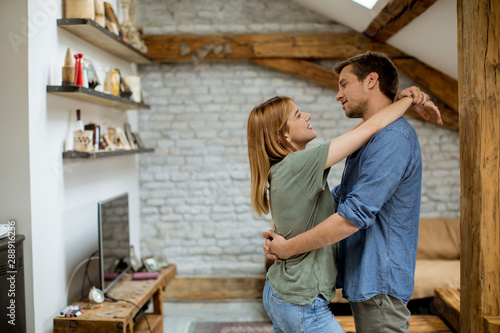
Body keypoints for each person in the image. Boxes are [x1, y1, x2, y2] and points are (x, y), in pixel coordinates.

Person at [262, 52, 442, 333]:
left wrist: (287, 247)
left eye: (344, 84)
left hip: (379, 281)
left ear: (371, 81)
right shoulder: (371, 139)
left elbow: (351, 216)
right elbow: (340, 197)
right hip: (364, 278)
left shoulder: (392, 138)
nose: (338, 95)